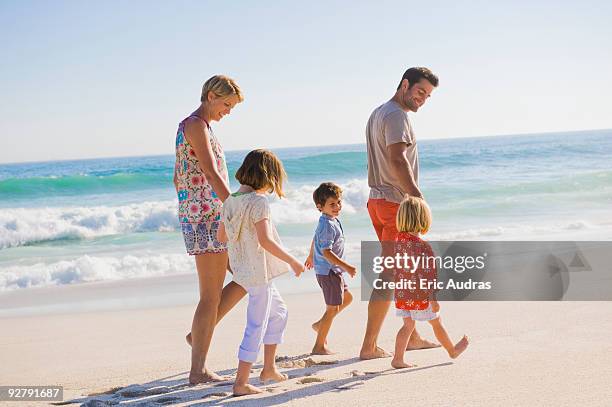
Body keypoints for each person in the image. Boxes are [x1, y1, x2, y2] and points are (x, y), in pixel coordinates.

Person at [361, 67, 440, 359]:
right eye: (420, 92)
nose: (422, 99)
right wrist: (417, 198)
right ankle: (368, 347)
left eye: (428, 96)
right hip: (396, 206)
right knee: (392, 275)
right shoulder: (396, 115)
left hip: (378, 202)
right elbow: (396, 159)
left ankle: (413, 337)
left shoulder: (378, 112)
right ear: (404, 85)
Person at [174, 74, 248, 384]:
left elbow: (178, 177)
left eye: (232, 107)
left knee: (247, 274)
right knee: (210, 297)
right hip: (206, 218)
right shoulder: (194, 125)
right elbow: (211, 172)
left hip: (207, 214)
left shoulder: (203, 127)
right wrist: (234, 209)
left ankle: (198, 336)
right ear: (209, 96)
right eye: (226, 105)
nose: (228, 111)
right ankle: (198, 370)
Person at [217, 149, 305, 396]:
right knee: (256, 324)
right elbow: (266, 241)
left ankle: (268, 369)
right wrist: (293, 261)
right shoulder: (258, 202)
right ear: (267, 176)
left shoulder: (230, 201)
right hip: (258, 274)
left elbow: (221, 236)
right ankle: (241, 382)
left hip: (245, 272)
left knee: (279, 313)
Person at [391, 196, 469, 368]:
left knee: (408, 325)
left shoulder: (398, 240)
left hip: (402, 293)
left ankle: (398, 359)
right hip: (419, 295)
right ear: (423, 220)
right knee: (436, 321)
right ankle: (452, 350)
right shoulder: (423, 247)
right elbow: (427, 276)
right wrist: (433, 298)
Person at [305, 182, 356, 355]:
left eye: (339, 202)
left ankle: (320, 324)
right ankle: (319, 346)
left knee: (347, 298)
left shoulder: (329, 221)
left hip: (332, 271)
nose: (337, 207)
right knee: (332, 309)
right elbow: (326, 252)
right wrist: (347, 266)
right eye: (332, 204)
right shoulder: (327, 224)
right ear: (320, 207)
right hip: (329, 271)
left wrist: (311, 255)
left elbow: (314, 237)